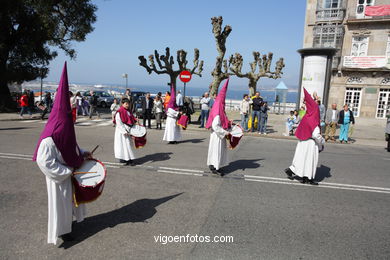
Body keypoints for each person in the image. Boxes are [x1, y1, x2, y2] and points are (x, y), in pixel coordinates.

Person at [33, 62, 91, 245]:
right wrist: (66, 172)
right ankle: (62, 232)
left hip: (69, 174)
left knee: (69, 203)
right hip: (59, 178)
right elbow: (44, 162)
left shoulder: (64, 133)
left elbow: (71, 147)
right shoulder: (49, 140)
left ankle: (69, 225)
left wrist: (83, 153)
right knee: (60, 205)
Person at [284, 88, 324, 185]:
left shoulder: (306, 117)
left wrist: (314, 97)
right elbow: (316, 135)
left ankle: (303, 176)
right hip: (311, 142)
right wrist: (322, 142)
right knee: (310, 161)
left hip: (303, 141)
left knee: (302, 159)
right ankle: (308, 178)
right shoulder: (313, 118)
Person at [206, 78, 231, 176]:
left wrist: (228, 122)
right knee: (217, 151)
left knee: (214, 151)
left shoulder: (217, 109)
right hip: (217, 135)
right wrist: (225, 133)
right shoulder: (218, 111)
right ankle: (216, 167)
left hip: (216, 134)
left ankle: (213, 165)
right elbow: (215, 125)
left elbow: (221, 121)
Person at [114, 98, 137, 166]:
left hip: (128, 130)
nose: (127, 105)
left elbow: (131, 119)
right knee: (124, 145)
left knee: (128, 145)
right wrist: (124, 131)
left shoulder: (128, 111)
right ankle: (127, 159)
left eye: (128, 104)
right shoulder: (120, 111)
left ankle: (128, 159)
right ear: (122, 104)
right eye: (126, 104)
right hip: (122, 131)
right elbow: (119, 122)